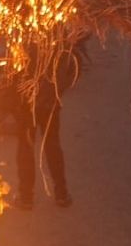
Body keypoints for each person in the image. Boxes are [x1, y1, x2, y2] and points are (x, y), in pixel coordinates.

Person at [13, 35, 85, 209]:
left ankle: (26, 197)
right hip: (47, 101)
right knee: (51, 145)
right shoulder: (57, 33)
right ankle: (61, 194)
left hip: (29, 102)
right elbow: (75, 66)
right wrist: (59, 89)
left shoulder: (25, 33)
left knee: (28, 146)